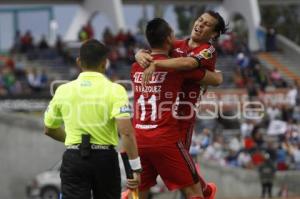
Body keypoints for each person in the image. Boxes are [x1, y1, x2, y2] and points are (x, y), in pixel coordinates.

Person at [136, 10, 227, 198]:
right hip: (162, 118)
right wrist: (139, 54)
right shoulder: (175, 45)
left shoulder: (208, 50)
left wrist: (158, 65)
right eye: (200, 20)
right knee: (174, 171)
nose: (200, 24)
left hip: (183, 118)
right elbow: (155, 51)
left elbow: (187, 64)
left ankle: (202, 190)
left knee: (184, 173)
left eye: (207, 24)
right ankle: (204, 189)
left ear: (214, 34)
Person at [44, 39, 141, 199]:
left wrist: (76, 142)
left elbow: (49, 128)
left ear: (78, 62)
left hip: (74, 158)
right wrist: (135, 168)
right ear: (105, 63)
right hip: (105, 160)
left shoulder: (62, 90)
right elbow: (126, 132)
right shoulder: (116, 90)